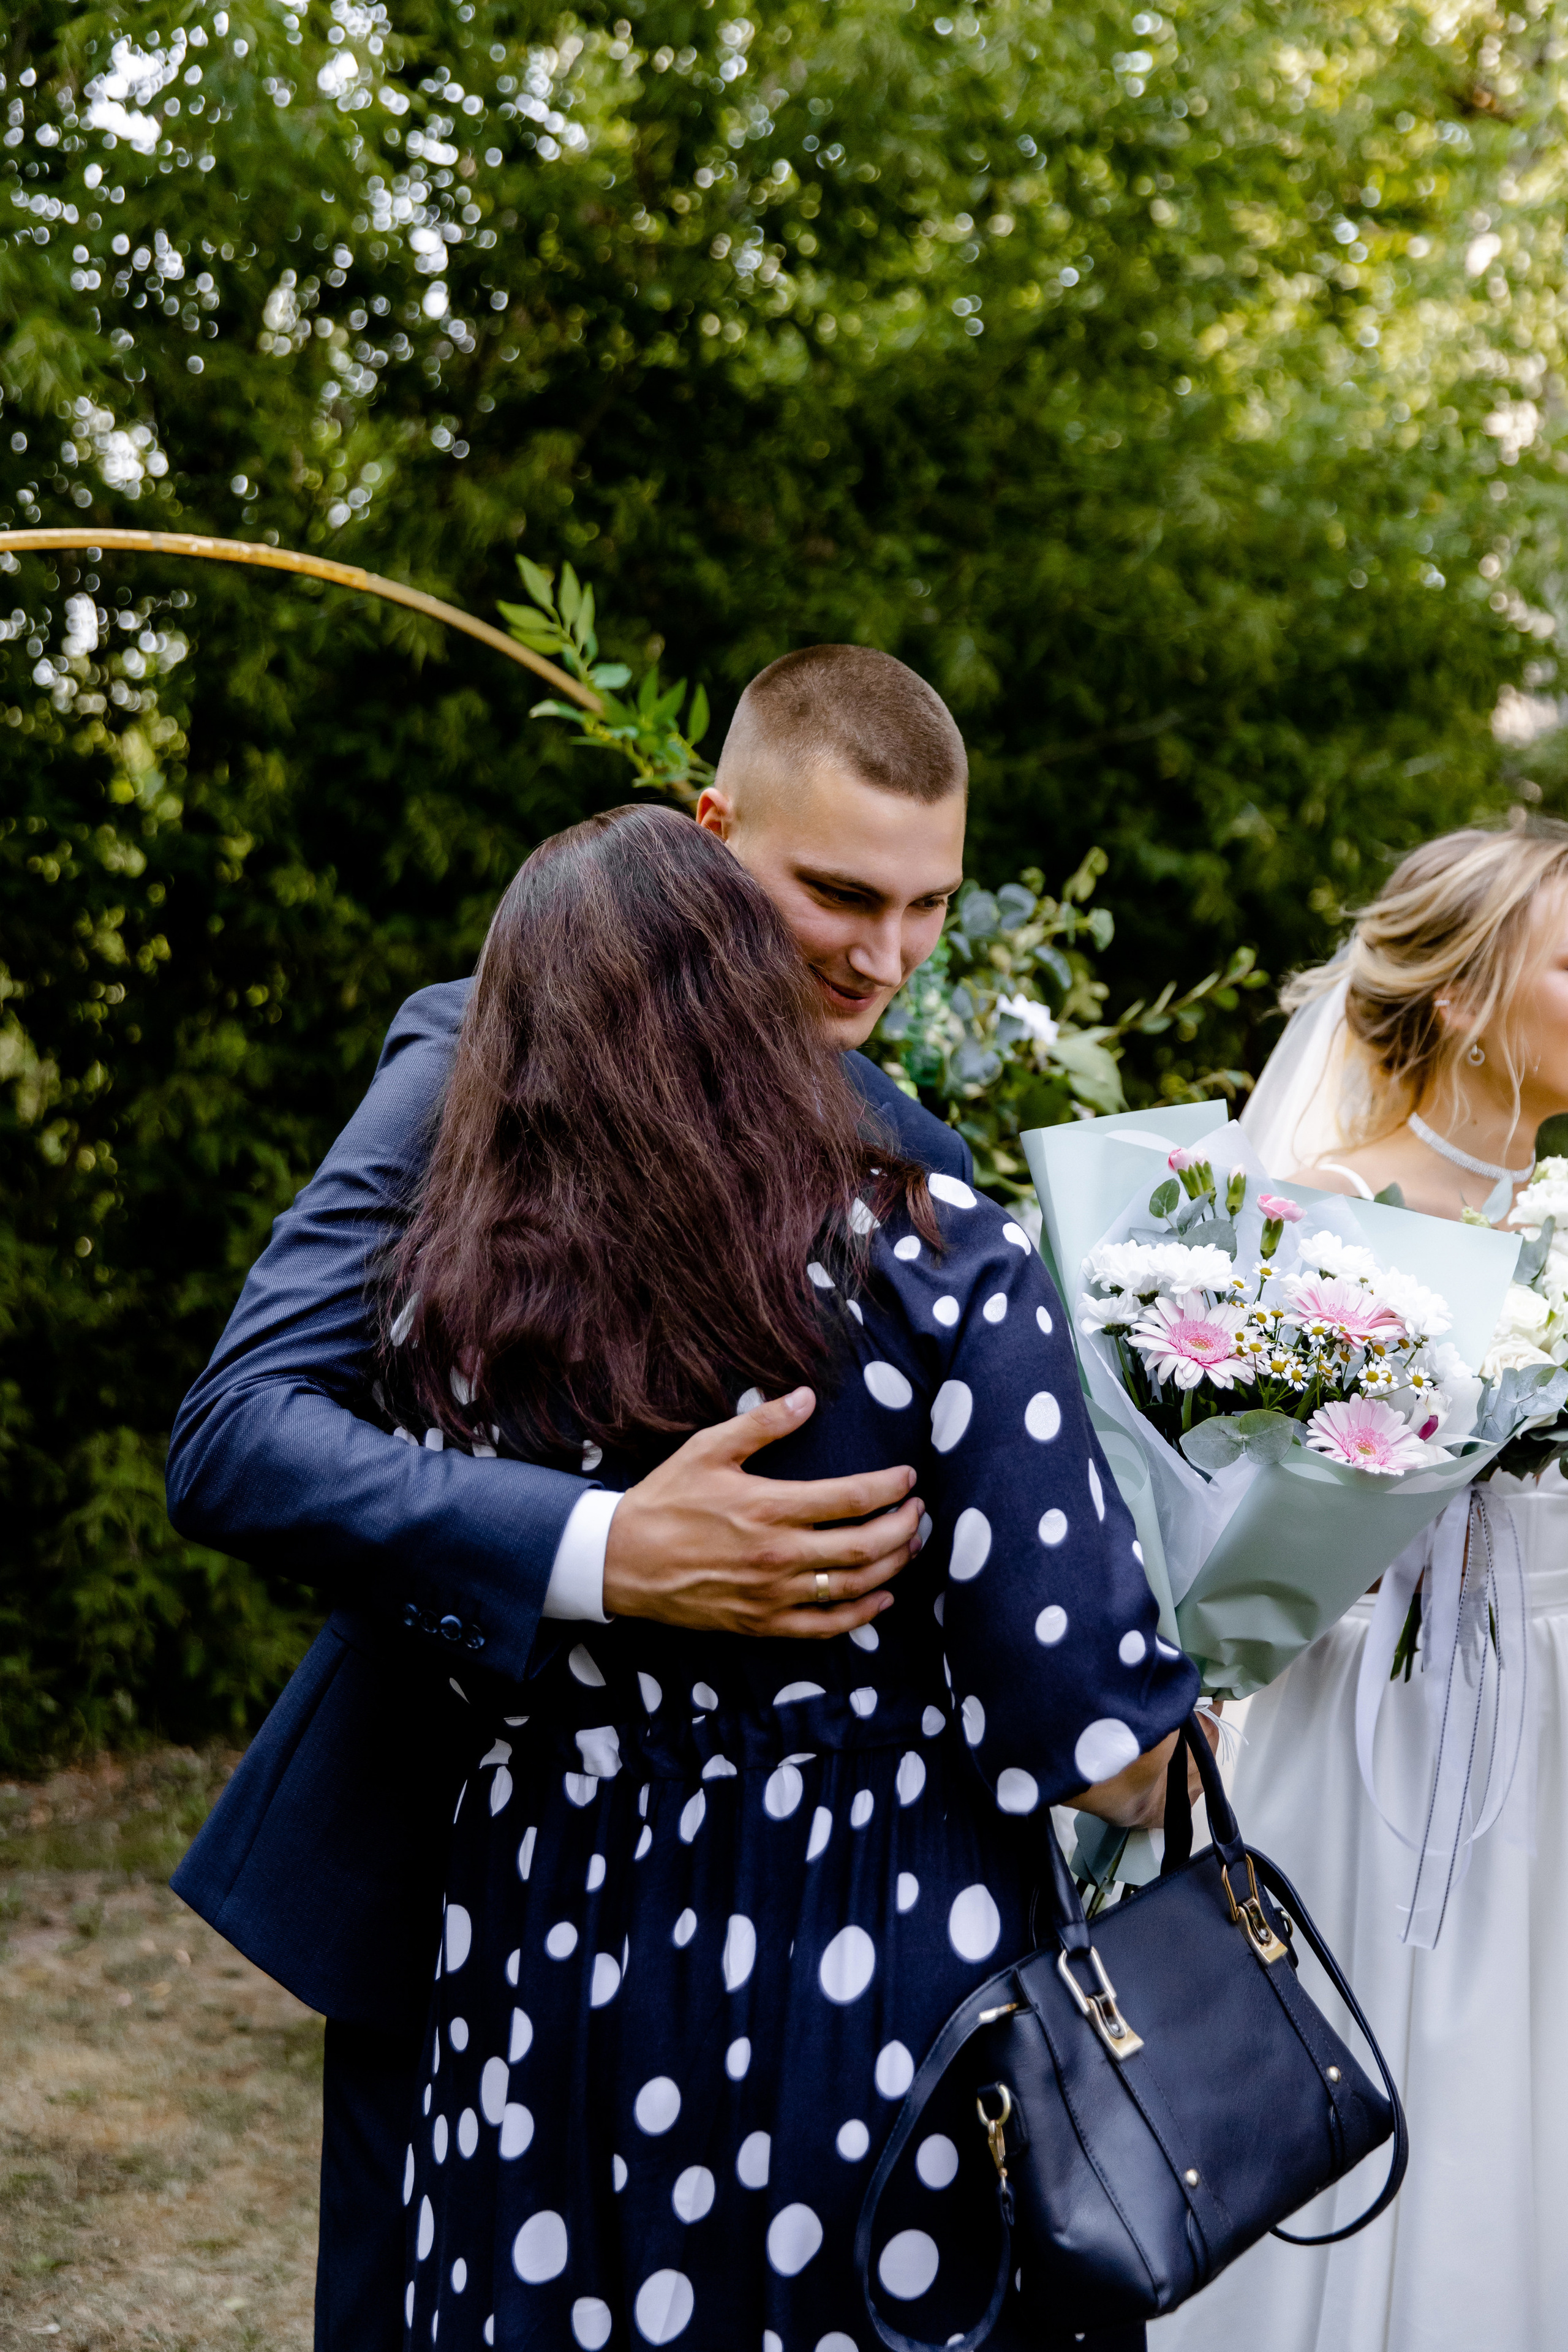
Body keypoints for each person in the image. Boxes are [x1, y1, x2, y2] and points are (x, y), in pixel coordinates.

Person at [167, 647, 981, 2351]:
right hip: (461, 1843)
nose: (881, 958)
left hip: (775, 1942)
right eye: (838, 892)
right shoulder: (479, 1052)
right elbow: (240, 1428)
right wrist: (606, 1551)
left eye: (927, 910)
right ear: (709, 831)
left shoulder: (920, 1157)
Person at [383, 802, 1198, 2349]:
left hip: (551, 1942)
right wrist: (1193, 1732)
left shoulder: (453, 1307)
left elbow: (435, 1625)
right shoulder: (940, 1257)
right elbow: (1087, 1731)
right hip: (868, 1941)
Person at [1152, 818, 1568, 2352]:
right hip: (1358, 1730)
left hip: (1554, 1737)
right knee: (1346, 2064)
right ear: (1461, 998)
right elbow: (1214, 1537)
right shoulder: (1303, 1223)